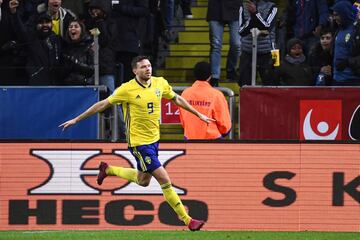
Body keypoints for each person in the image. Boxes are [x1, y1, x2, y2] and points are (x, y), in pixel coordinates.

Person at [59, 55, 213, 231]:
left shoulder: (159, 83)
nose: (148, 69)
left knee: (143, 181)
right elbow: (103, 104)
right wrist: (76, 119)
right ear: (135, 71)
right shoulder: (126, 89)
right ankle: (187, 219)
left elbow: (176, 98)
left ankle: (108, 169)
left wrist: (198, 114)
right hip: (139, 143)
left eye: (149, 66)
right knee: (164, 178)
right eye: (143, 67)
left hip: (154, 140)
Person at [9, 0, 62, 85]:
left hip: (54, 84)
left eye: (47, 22)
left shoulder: (57, 39)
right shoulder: (31, 38)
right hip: (36, 84)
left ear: (51, 24)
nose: (45, 25)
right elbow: (20, 29)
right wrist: (14, 13)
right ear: (36, 25)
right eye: (41, 22)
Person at [179, 61, 231, 139]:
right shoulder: (216, 95)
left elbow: (183, 120)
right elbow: (225, 125)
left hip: (189, 139)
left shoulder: (185, 93)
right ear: (210, 76)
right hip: (212, 141)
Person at [238, 0, 278, 87]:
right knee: (244, 85)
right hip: (247, 50)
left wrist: (255, 13)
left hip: (268, 51)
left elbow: (267, 27)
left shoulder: (273, 7)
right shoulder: (243, 6)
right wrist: (252, 18)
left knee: (271, 84)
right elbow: (241, 31)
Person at [206, 0, 241, 85]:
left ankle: (231, 69)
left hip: (235, 8)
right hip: (215, 8)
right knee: (216, 45)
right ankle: (214, 76)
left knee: (237, 44)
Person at [331, 0, 360, 86]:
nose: (334, 18)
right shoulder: (338, 30)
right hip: (336, 79)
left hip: (353, 81)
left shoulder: (357, 30)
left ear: (345, 14)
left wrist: (348, 62)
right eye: (333, 15)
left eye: (337, 15)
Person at [60, 19, 94, 85]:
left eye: (76, 26)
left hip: (84, 86)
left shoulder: (89, 45)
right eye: (70, 27)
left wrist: (76, 63)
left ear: (82, 30)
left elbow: (92, 69)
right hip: (67, 86)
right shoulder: (64, 46)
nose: (73, 28)